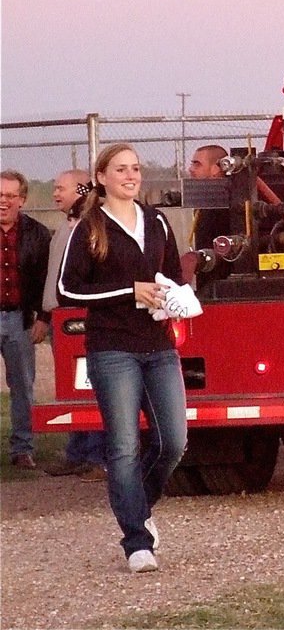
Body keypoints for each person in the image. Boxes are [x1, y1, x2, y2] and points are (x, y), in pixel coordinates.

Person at [58, 144, 188, 573]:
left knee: (173, 441)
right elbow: (67, 291)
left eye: (135, 169)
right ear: (102, 176)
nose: (131, 176)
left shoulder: (158, 221)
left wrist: (174, 297)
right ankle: (136, 541)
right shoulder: (88, 228)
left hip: (159, 344)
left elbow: (170, 274)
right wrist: (129, 292)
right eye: (121, 169)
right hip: (112, 348)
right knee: (123, 445)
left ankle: (138, 504)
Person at [40, 169, 108, 481]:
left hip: (79, 317)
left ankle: (98, 457)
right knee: (74, 389)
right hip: (60, 318)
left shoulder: (90, 225)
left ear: (82, 189)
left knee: (90, 386)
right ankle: (78, 452)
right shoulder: (68, 224)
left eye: (61, 188)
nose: (55, 193)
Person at [0, 170, 52, 470]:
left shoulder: (38, 233)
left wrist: (44, 318)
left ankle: (22, 449)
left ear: (22, 199)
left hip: (21, 319)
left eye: (10, 196)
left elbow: (47, 279)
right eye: (0, 195)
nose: (3, 201)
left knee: (23, 386)